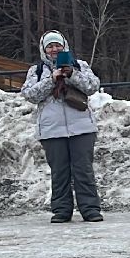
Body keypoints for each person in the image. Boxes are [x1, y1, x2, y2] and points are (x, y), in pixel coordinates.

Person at [21, 31, 104, 223]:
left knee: (83, 170)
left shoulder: (79, 65)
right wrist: (52, 79)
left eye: (57, 45)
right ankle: (61, 210)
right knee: (59, 172)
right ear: (44, 50)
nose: (54, 49)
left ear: (64, 46)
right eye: (50, 46)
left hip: (82, 127)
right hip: (52, 130)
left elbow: (93, 86)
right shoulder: (37, 71)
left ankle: (90, 209)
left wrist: (71, 75)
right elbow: (30, 94)